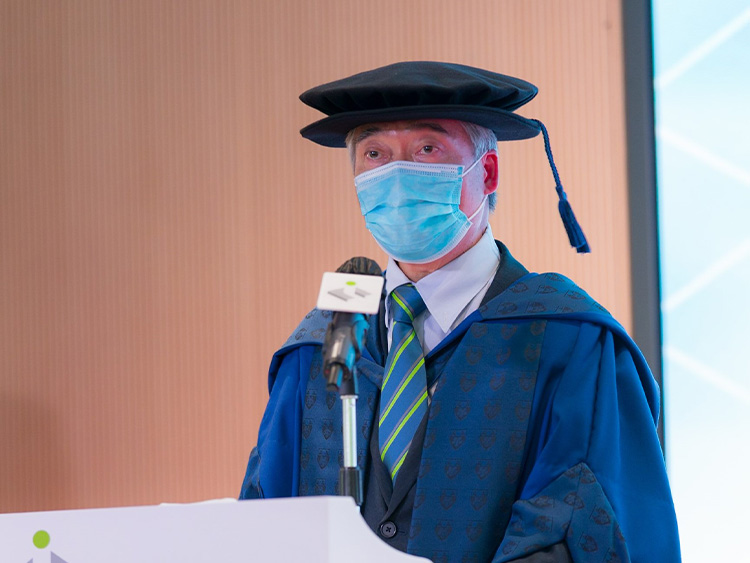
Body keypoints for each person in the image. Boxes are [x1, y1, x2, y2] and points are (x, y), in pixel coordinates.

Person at [239, 62, 680, 562]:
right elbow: (262, 519)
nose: (396, 175)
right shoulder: (321, 346)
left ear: (486, 172)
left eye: (427, 149)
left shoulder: (567, 340)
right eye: (374, 154)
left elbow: (586, 528)